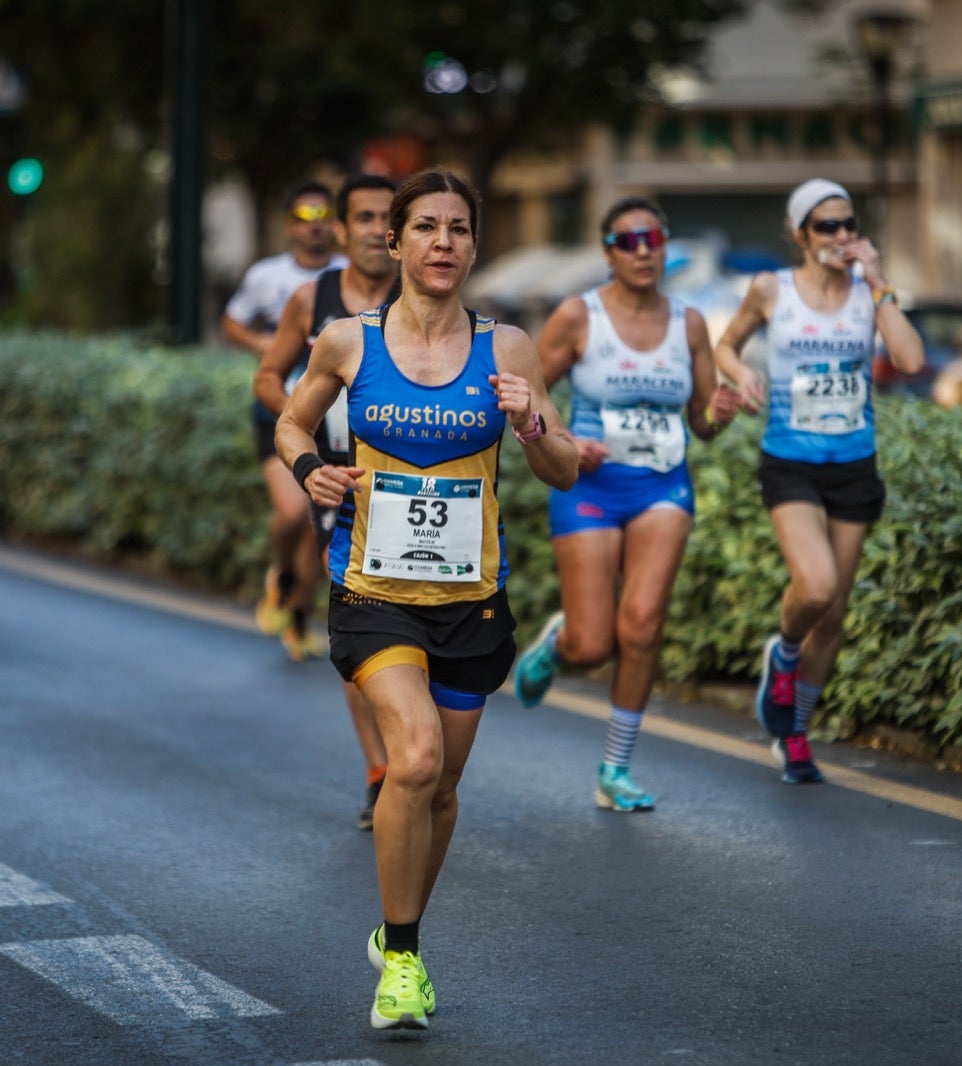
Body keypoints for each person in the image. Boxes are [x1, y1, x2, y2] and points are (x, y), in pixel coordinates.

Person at [276, 169, 577, 1031]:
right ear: (395, 242)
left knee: (440, 787)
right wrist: (311, 473)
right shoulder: (347, 341)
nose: (442, 242)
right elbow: (291, 421)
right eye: (425, 227)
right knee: (410, 760)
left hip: (470, 598)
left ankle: (395, 928)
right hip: (372, 590)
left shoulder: (508, 348)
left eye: (457, 229)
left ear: (473, 246)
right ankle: (403, 961)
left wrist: (529, 423)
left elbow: (560, 468)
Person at [512, 196, 736, 811]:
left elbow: (702, 418)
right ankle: (560, 645)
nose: (643, 251)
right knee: (595, 645)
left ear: (666, 246)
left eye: (653, 239)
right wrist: (563, 440)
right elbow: (529, 393)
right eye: (628, 241)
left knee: (641, 625)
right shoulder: (577, 318)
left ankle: (615, 770)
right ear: (608, 252)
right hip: (589, 486)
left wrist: (716, 416)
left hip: (662, 484)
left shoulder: (690, 323)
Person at [712, 179, 923, 784]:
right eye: (825, 226)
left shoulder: (868, 295)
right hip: (791, 461)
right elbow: (727, 345)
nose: (839, 236)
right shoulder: (772, 289)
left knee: (833, 616)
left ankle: (795, 733)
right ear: (801, 234)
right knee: (817, 586)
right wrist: (741, 378)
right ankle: (782, 653)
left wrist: (880, 281)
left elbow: (909, 361)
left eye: (847, 224)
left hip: (854, 464)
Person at [254, 173, 397, 830]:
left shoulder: (426, 294)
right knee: (356, 628)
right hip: (337, 481)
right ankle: (380, 773)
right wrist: (304, 430)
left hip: (413, 484)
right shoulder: (312, 299)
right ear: (342, 230)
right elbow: (267, 374)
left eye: (386, 218)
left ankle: (414, 758)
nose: (375, 229)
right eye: (362, 218)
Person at [219, 180, 346, 645]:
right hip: (278, 406)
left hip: (335, 414)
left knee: (321, 525)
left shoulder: (350, 274)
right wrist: (257, 342)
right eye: (305, 218)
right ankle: (281, 570)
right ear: (289, 225)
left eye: (323, 217)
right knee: (294, 514)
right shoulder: (266, 275)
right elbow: (231, 319)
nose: (315, 228)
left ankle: (296, 616)